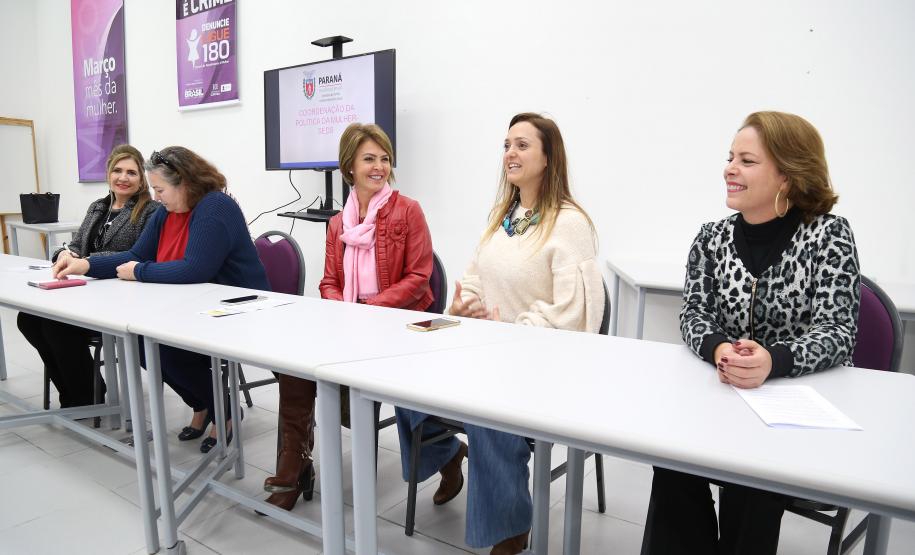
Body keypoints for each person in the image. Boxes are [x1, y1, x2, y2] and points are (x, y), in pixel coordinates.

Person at [641, 111, 860, 555]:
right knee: (673, 463)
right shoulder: (711, 238)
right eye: (730, 157)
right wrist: (722, 349)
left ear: (787, 174)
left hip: (795, 410)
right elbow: (693, 313)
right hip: (722, 401)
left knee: (753, 482)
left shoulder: (828, 235)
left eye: (747, 160)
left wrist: (773, 361)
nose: (730, 169)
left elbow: (838, 331)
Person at [397, 113, 604, 554]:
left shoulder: (570, 223)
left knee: (485, 407)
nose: (510, 153)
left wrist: (510, 331)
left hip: (542, 363)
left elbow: (576, 314)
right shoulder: (503, 215)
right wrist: (462, 305)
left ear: (549, 158)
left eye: (523, 145)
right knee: (398, 370)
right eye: (507, 145)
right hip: (487, 349)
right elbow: (474, 277)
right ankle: (447, 455)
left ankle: (509, 526)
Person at [260, 123, 434, 512]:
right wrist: (341, 306)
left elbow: (419, 279)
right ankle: (294, 465)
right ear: (349, 167)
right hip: (351, 321)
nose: (379, 167)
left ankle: (445, 455)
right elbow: (329, 280)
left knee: (334, 381)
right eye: (369, 159)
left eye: (384, 159)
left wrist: (367, 311)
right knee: (293, 365)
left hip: (396, 323)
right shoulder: (339, 222)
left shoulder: (408, 211)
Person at [53, 146, 269, 453]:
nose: (157, 197)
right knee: (142, 344)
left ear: (185, 183)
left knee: (165, 351)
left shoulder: (215, 206)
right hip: (196, 304)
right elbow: (134, 255)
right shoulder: (166, 212)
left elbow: (195, 268)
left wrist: (139, 272)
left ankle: (226, 411)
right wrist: (85, 265)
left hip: (238, 307)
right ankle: (204, 404)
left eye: (160, 189)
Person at [17, 144, 157, 408]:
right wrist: (63, 255)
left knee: (56, 325)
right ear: (108, 174)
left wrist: (85, 262)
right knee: (29, 319)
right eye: (117, 170)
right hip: (83, 291)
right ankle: (76, 388)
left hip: (121, 295)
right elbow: (77, 243)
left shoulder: (149, 211)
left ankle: (84, 396)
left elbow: (138, 254)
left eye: (131, 172)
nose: (123, 178)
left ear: (141, 179)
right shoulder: (98, 207)